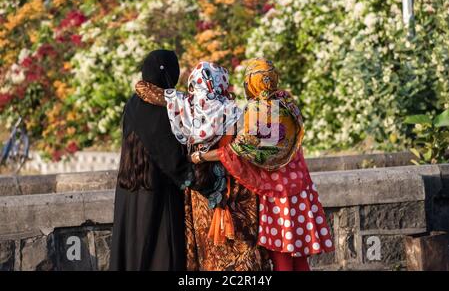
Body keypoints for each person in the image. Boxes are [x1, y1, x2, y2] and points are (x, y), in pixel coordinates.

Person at [190, 58, 334, 271]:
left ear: (253, 82)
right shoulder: (287, 104)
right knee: (299, 255)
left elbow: (240, 151)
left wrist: (201, 157)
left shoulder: (260, 110)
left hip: (277, 195)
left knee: (282, 253)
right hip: (300, 189)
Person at [135, 61, 271, 271]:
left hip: (202, 192)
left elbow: (144, 90)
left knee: (208, 252)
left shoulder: (185, 107)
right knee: (241, 252)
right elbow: (252, 152)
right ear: (220, 83)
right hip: (236, 190)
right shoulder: (235, 111)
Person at [110, 50, 203, 271]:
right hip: (157, 193)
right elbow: (173, 161)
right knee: (161, 255)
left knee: (132, 254)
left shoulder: (133, 102)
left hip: (129, 190)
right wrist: (205, 182)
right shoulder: (162, 110)